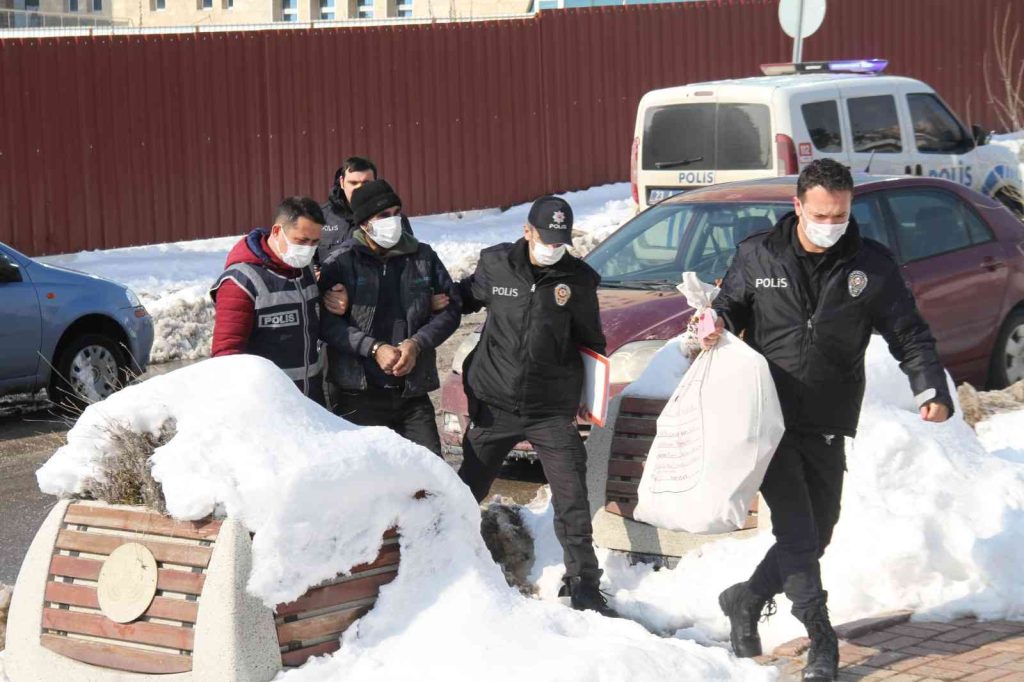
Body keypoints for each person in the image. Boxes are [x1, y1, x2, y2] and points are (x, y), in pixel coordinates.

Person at [704, 159, 953, 681]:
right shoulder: (759, 254)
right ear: (797, 206)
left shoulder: (872, 266)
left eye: (840, 214)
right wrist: (712, 324)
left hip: (827, 419)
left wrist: (929, 386)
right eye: (821, 213)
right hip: (768, 420)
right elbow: (728, 311)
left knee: (819, 533)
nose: (831, 223)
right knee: (797, 533)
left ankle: (745, 600)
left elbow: (909, 333)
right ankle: (821, 640)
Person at [455, 196, 617, 618]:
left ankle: (584, 585)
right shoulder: (495, 264)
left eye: (560, 240)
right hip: (495, 406)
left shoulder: (578, 279)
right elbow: (460, 299)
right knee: (462, 492)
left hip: (550, 409)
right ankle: (447, 570)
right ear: (527, 231)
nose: (552, 246)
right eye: (546, 238)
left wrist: (589, 393)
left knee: (572, 498)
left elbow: (591, 341)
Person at [319, 180, 460, 456]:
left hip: (411, 394)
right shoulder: (341, 262)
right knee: (365, 481)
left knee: (430, 478)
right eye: (384, 216)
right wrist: (373, 348)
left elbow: (451, 309)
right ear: (363, 223)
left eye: (396, 212)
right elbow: (325, 324)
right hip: (357, 394)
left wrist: (417, 343)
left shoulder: (422, 257)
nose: (393, 220)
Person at [210, 197, 346, 405]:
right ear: (276, 232)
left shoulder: (305, 269)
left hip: (312, 402)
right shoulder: (240, 282)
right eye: (301, 241)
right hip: (270, 408)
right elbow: (227, 357)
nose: (308, 249)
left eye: (314, 242)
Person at [319, 156, 378, 265]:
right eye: (353, 183)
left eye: (366, 183)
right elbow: (305, 263)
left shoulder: (389, 218)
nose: (359, 188)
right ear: (342, 182)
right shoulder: (320, 217)